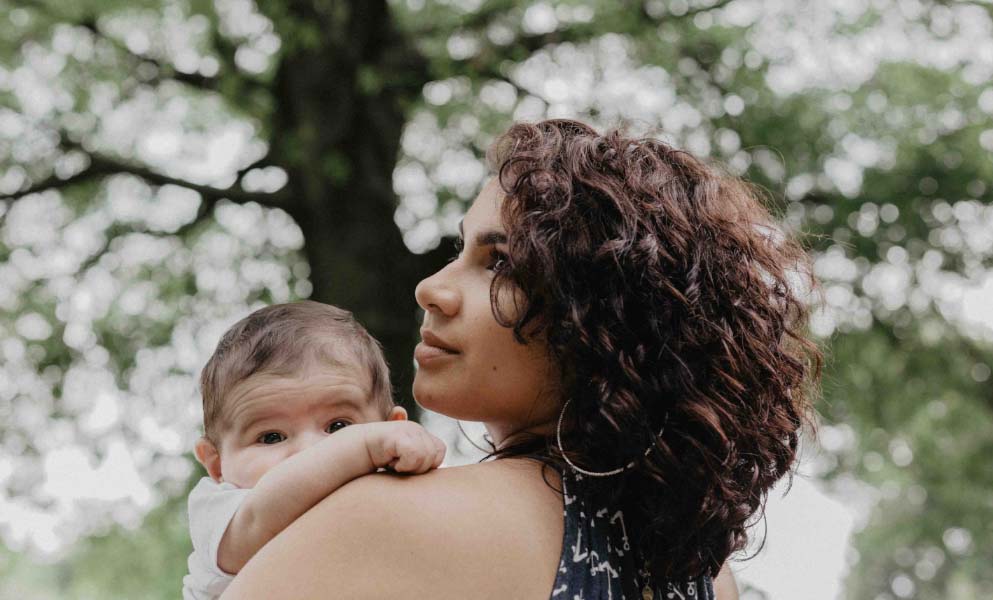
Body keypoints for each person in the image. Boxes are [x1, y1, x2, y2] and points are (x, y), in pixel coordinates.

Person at [221, 119, 822, 599]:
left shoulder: (391, 520)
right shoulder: (703, 577)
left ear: (602, 319)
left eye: (500, 263)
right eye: (460, 250)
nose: (431, 288)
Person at [183, 301, 446, 600]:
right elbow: (258, 520)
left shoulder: (395, 499)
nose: (310, 452)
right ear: (217, 466)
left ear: (391, 427)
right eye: (270, 437)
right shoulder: (220, 511)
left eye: (337, 427)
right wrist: (361, 445)